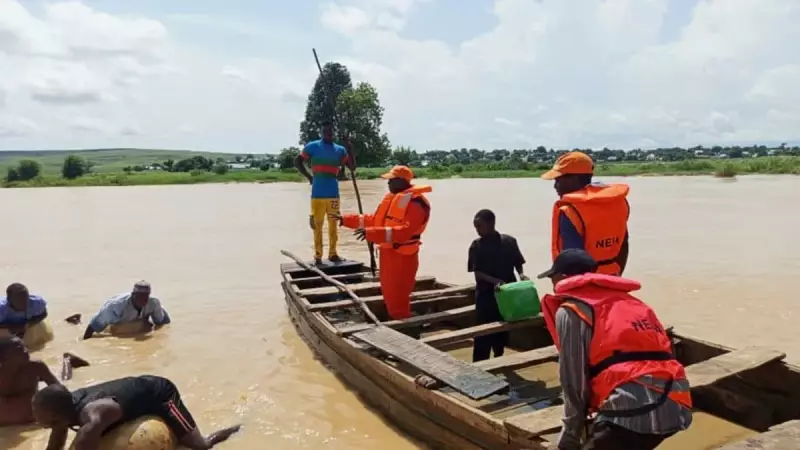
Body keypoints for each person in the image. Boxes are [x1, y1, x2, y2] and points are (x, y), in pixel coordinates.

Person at [537, 249, 692, 450]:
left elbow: (573, 381)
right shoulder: (633, 303)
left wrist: (570, 436)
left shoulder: (570, 310)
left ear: (563, 278)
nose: (552, 283)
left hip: (633, 409)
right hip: (677, 404)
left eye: (552, 277)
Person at [32, 375, 241, 450]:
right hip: (130, 397)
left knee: (199, 446)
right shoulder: (63, 411)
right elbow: (55, 443)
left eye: (38, 413)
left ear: (54, 414)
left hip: (159, 394)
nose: (34, 417)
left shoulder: (92, 419)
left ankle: (238, 428)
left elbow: (87, 442)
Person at [331, 165, 431, 320]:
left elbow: (404, 232)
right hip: (389, 253)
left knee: (398, 293)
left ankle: (404, 324)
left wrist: (372, 233)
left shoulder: (416, 204)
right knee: (390, 292)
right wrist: (346, 219)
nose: (388, 183)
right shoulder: (394, 199)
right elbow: (374, 220)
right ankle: (398, 319)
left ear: (401, 181)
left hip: (403, 256)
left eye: (391, 180)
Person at [541, 151, 630, 276]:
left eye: (558, 180)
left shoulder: (569, 210)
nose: (555, 186)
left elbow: (573, 261)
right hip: (612, 275)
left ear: (574, 179)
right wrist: (617, 276)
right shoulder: (618, 202)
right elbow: (623, 244)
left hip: (583, 283)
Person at [467, 209, 527, 362]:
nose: (477, 230)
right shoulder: (476, 246)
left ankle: (499, 358)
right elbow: (477, 273)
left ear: (491, 223)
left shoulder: (509, 241)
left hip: (507, 295)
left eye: (480, 226)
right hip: (486, 295)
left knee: (502, 329)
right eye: (475, 227)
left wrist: (521, 275)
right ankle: (480, 365)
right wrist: (494, 281)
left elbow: (518, 263)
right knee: (483, 332)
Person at [294, 120, 356, 265]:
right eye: (325, 131)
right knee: (317, 226)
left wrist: (350, 149)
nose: (328, 134)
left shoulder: (340, 150)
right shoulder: (313, 146)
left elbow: (352, 167)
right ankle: (318, 256)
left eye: (330, 131)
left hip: (333, 193)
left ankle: (333, 254)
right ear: (322, 132)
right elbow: (297, 161)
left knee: (334, 225)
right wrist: (309, 176)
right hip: (317, 194)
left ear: (333, 133)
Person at [0, 336, 60, 426]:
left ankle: (68, 361)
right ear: (4, 359)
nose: (26, 350)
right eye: (19, 349)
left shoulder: (35, 366)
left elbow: (58, 389)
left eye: (25, 347)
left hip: (31, 413)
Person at [82, 281, 171, 340]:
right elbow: (93, 326)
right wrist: (84, 341)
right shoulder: (116, 306)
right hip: (118, 321)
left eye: (145, 297)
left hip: (140, 320)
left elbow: (162, 322)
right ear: (133, 295)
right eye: (139, 297)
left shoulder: (153, 302)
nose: (142, 300)